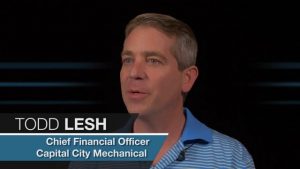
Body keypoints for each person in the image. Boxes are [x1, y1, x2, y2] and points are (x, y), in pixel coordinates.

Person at [119, 13, 255, 169]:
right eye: (128, 60)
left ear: (187, 78)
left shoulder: (232, 157)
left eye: (153, 61)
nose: (134, 73)